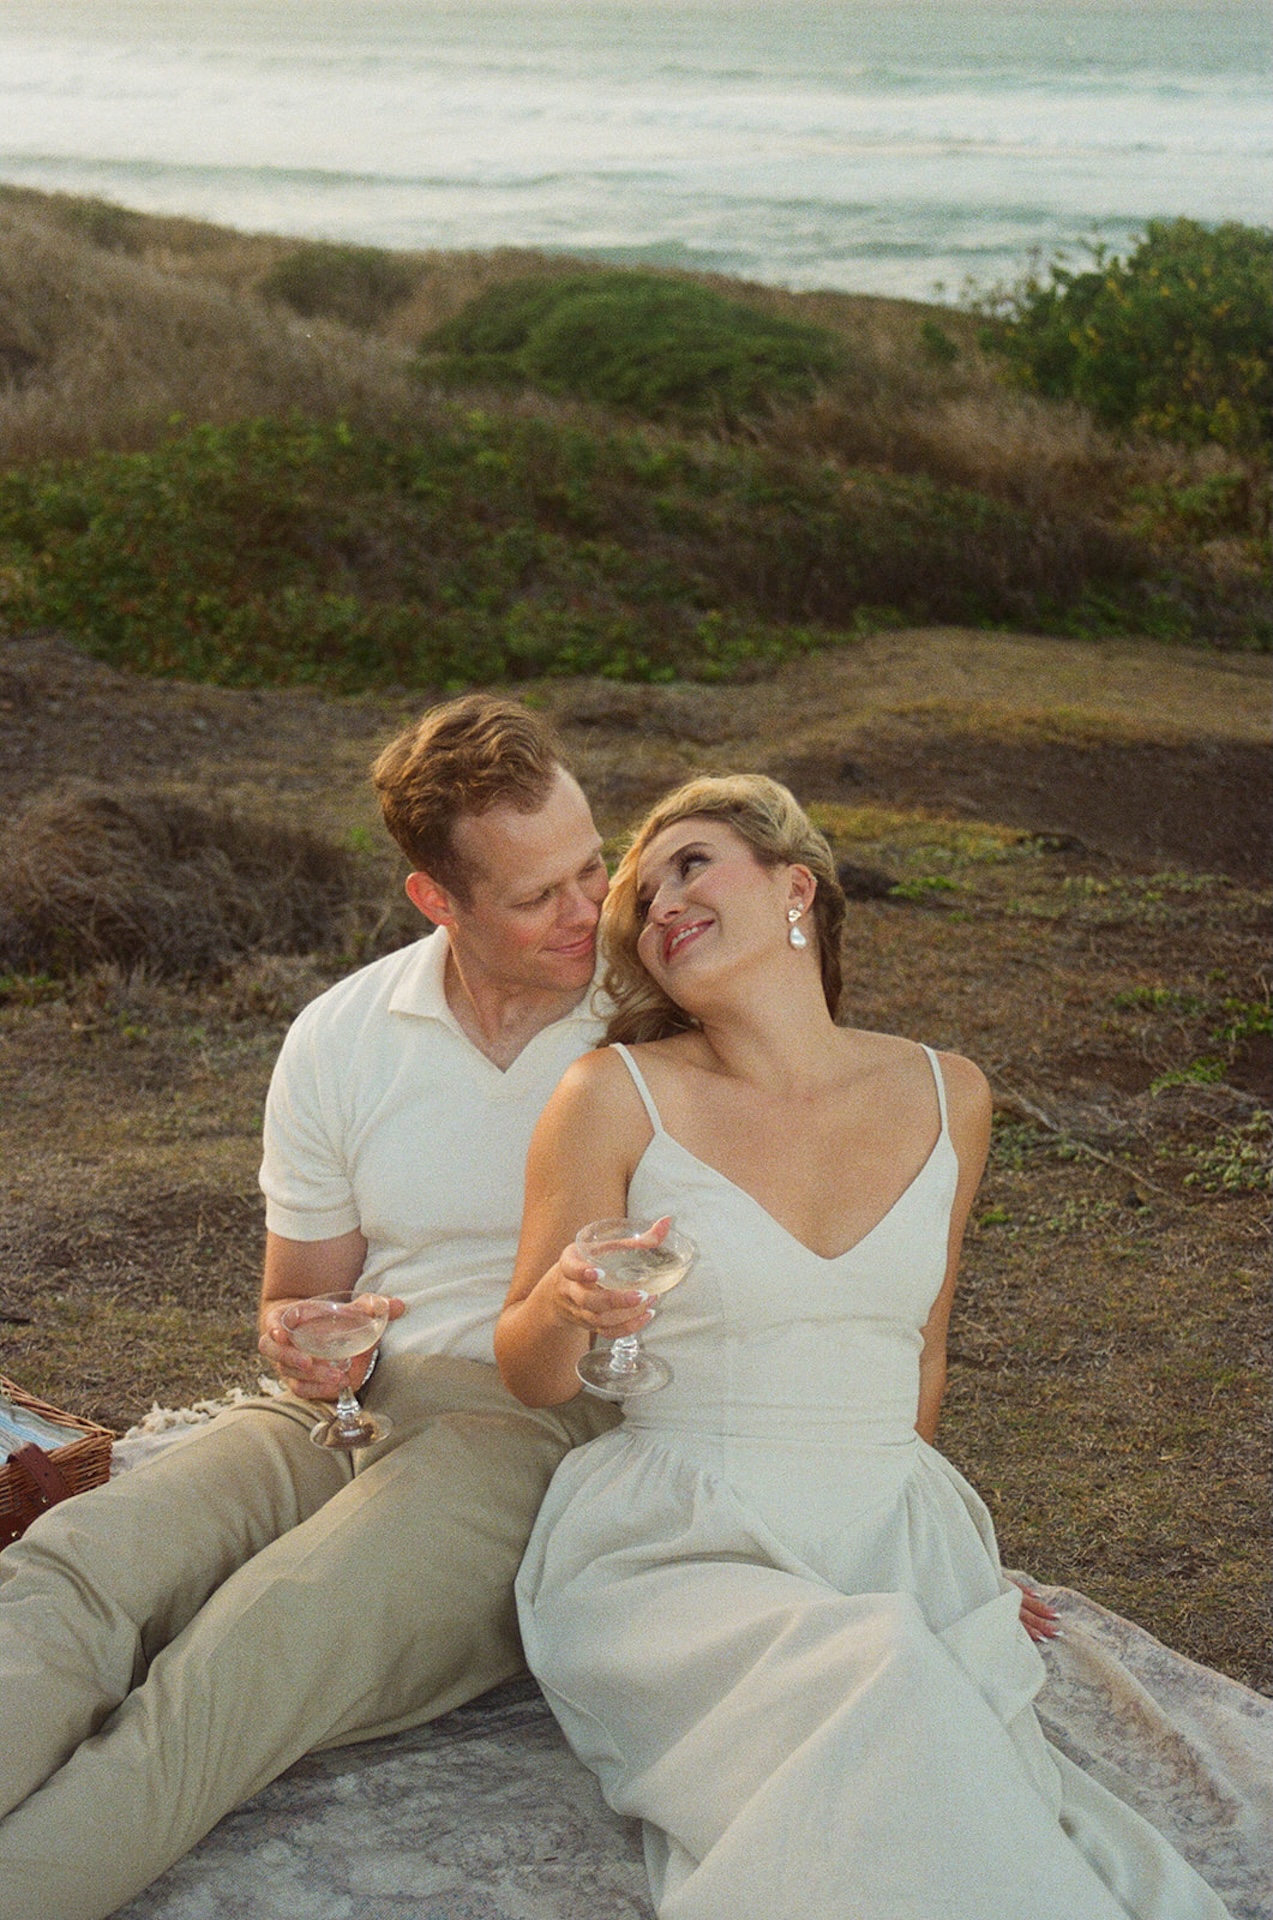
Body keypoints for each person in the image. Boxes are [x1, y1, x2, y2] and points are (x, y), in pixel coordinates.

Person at [495, 773, 1234, 1920]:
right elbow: (528, 1370)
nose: (658, 906)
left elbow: (921, 1351)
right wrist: (567, 1306)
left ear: (797, 887)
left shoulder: (949, 1091)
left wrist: (943, 1548)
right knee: (881, 1671)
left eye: (690, 865)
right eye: (641, 898)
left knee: (937, 1704)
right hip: (676, 1542)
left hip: (888, 1531)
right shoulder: (611, 1093)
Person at [0, 693, 619, 1920]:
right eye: (538, 894)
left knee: (251, 1649)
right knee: (74, 1566)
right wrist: (298, 1345)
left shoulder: (655, 1021)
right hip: (352, 1414)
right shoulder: (342, 1036)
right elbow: (299, 1300)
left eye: (594, 865)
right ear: (437, 900)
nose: (590, 910)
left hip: (543, 1426)